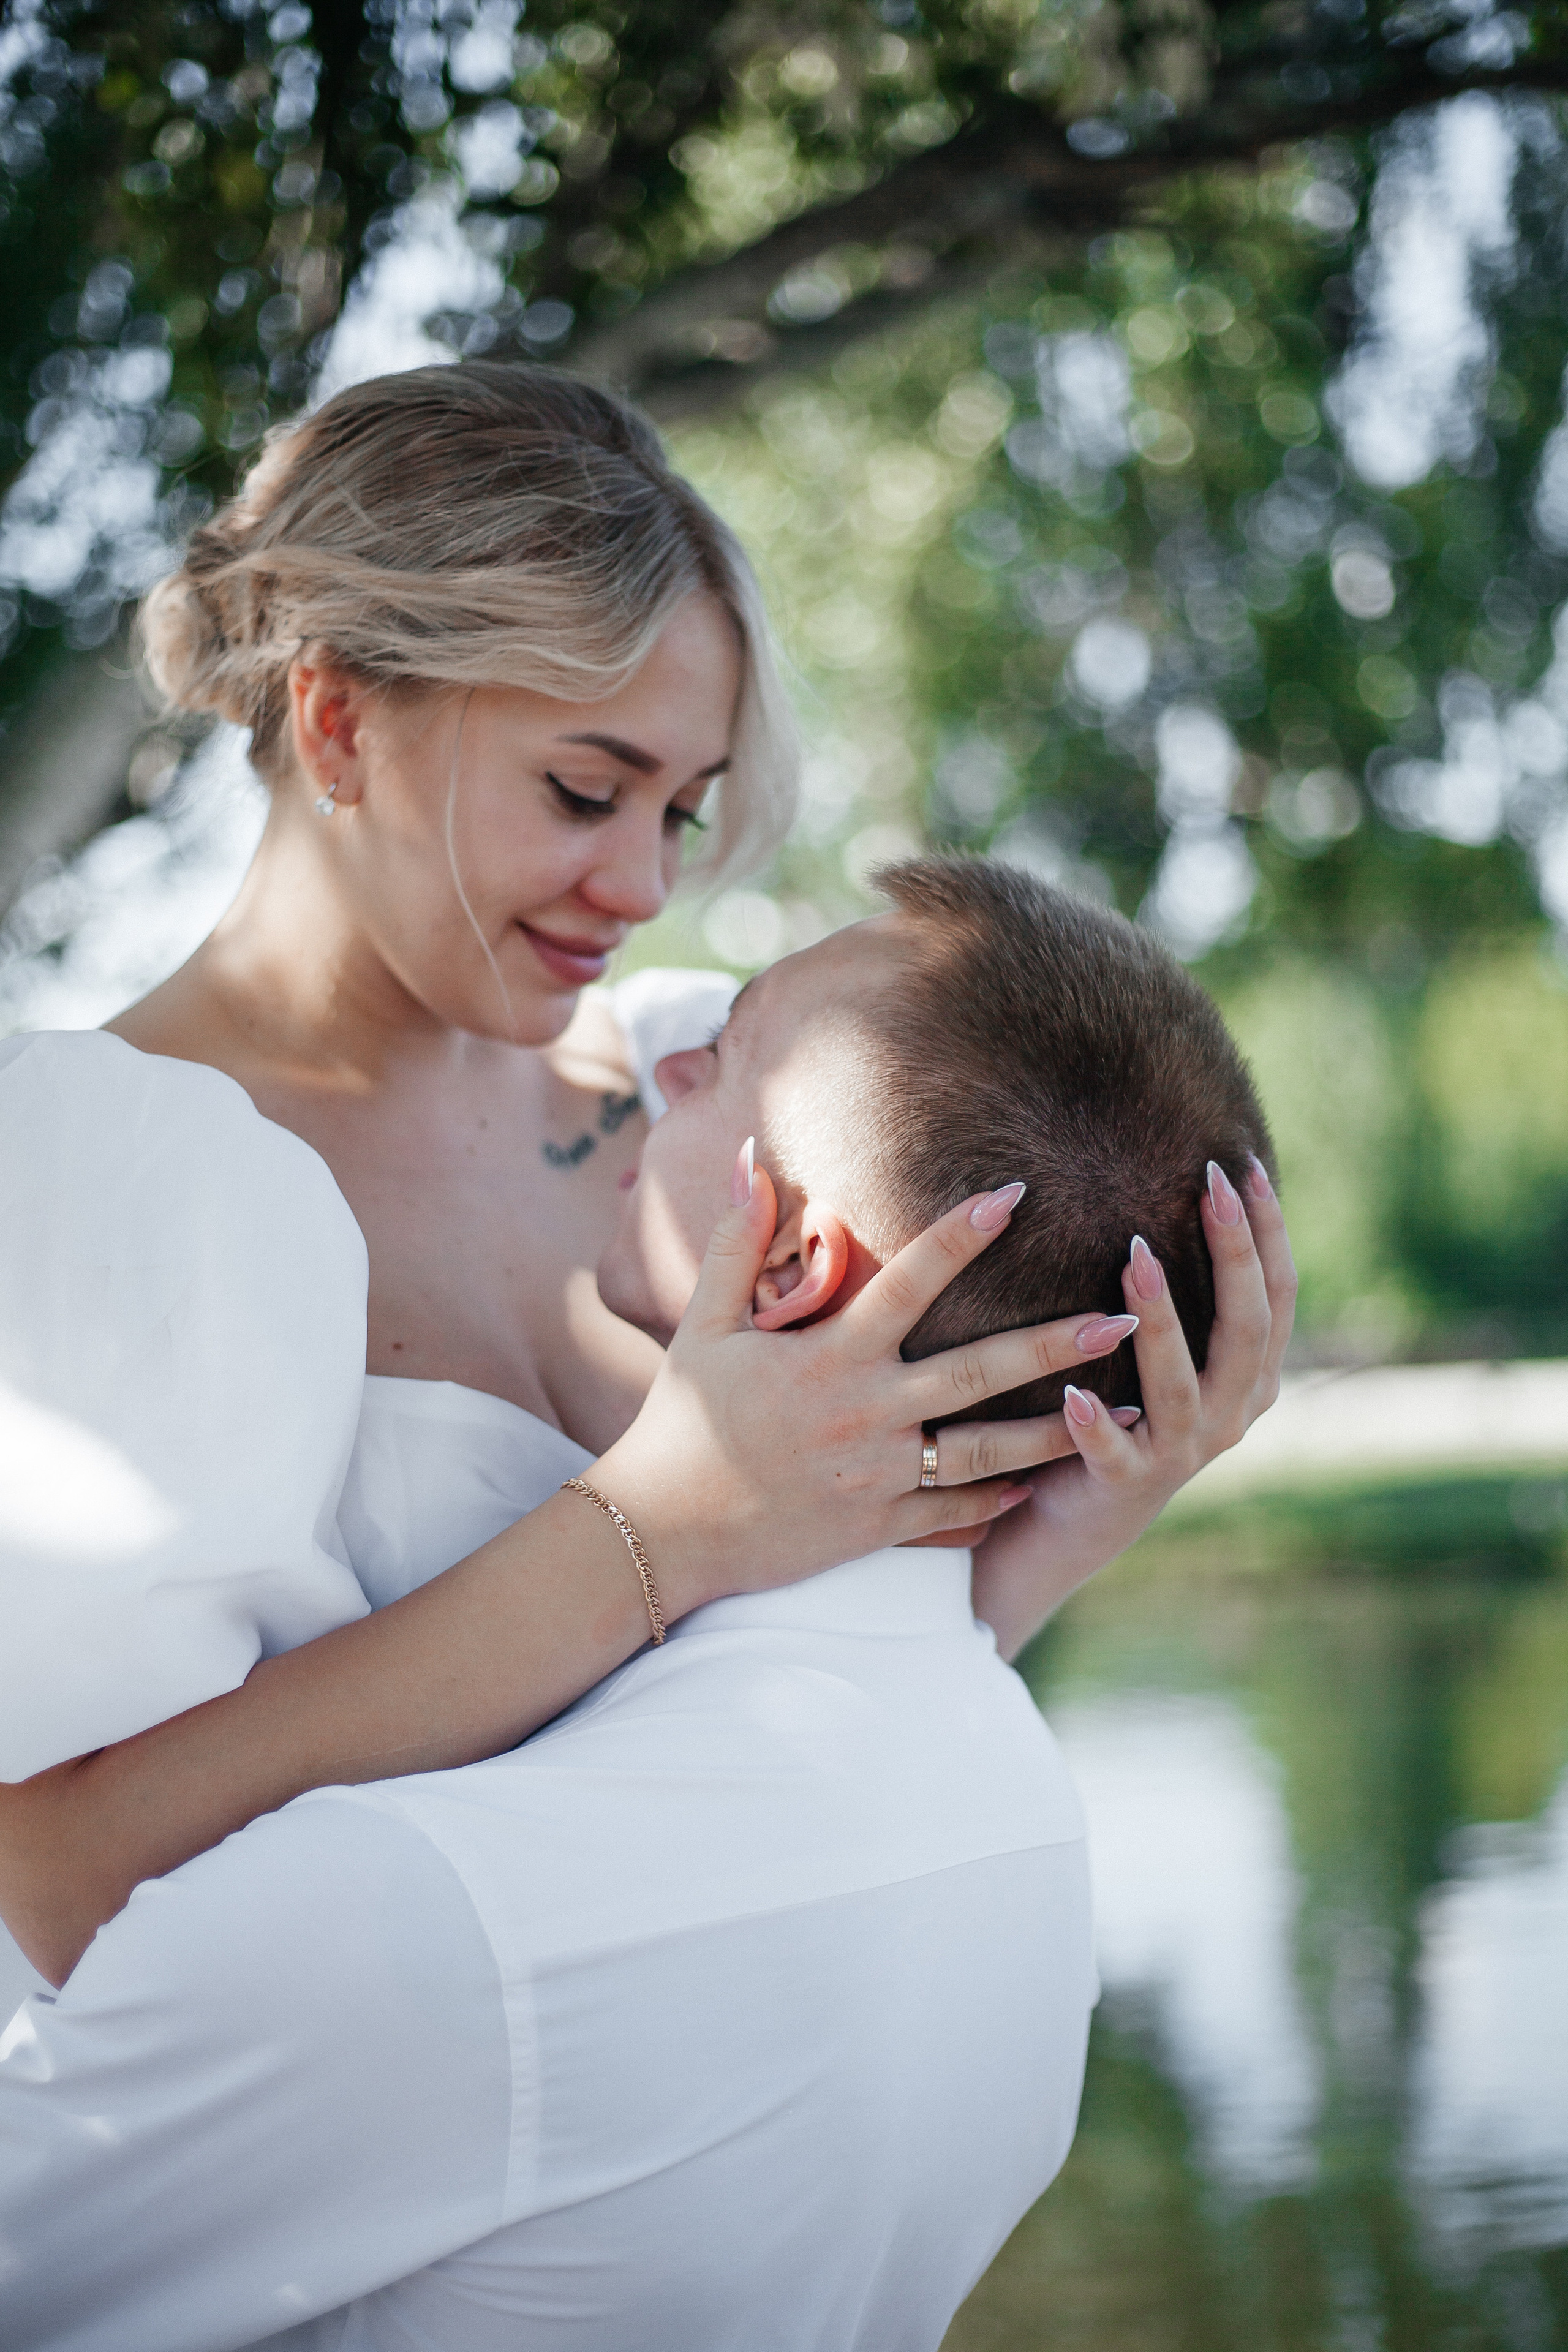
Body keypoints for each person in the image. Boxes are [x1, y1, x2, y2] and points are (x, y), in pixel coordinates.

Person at [0, 856, 1292, 2352]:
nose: (656, 1050)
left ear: (802, 1259)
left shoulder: (434, 1921)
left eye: (727, 1052)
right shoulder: (1024, 1828)